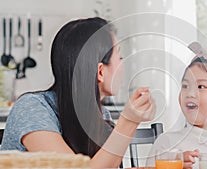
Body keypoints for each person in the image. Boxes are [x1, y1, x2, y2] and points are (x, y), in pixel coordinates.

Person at [0, 17, 156, 169]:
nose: (123, 66)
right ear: (100, 72)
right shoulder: (31, 108)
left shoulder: (102, 116)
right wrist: (128, 122)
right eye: (120, 57)